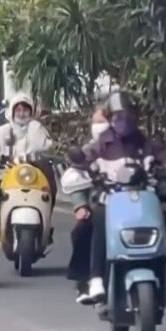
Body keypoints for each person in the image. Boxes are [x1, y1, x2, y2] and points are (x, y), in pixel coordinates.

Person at [77, 91, 166, 305]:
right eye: (118, 116)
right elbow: (81, 162)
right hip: (109, 199)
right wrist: (81, 171)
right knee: (98, 221)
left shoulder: (146, 144)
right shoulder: (100, 145)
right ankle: (96, 278)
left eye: (128, 116)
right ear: (110, 118)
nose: (123, 121)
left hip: (144, 199)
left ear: (136, 117)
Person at [66, 107, 107, 302]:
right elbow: (77, 180)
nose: (100, 126)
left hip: (131, 206)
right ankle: (84, 282)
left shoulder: (133, 147)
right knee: (81, 230)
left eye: (104, 121)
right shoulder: (89, 152)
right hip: (99, 205)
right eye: (96, 122)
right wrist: (81, 205)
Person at [0, 93, 57, 207]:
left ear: (31, 112)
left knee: (49, 186)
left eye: (25, 110)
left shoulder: (37, 128)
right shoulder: (1, 131)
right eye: (18, 110)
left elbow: (48, 149)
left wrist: (34, 158)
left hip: (33, 175)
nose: (21, 114)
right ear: (12, 111)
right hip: (6, 174)